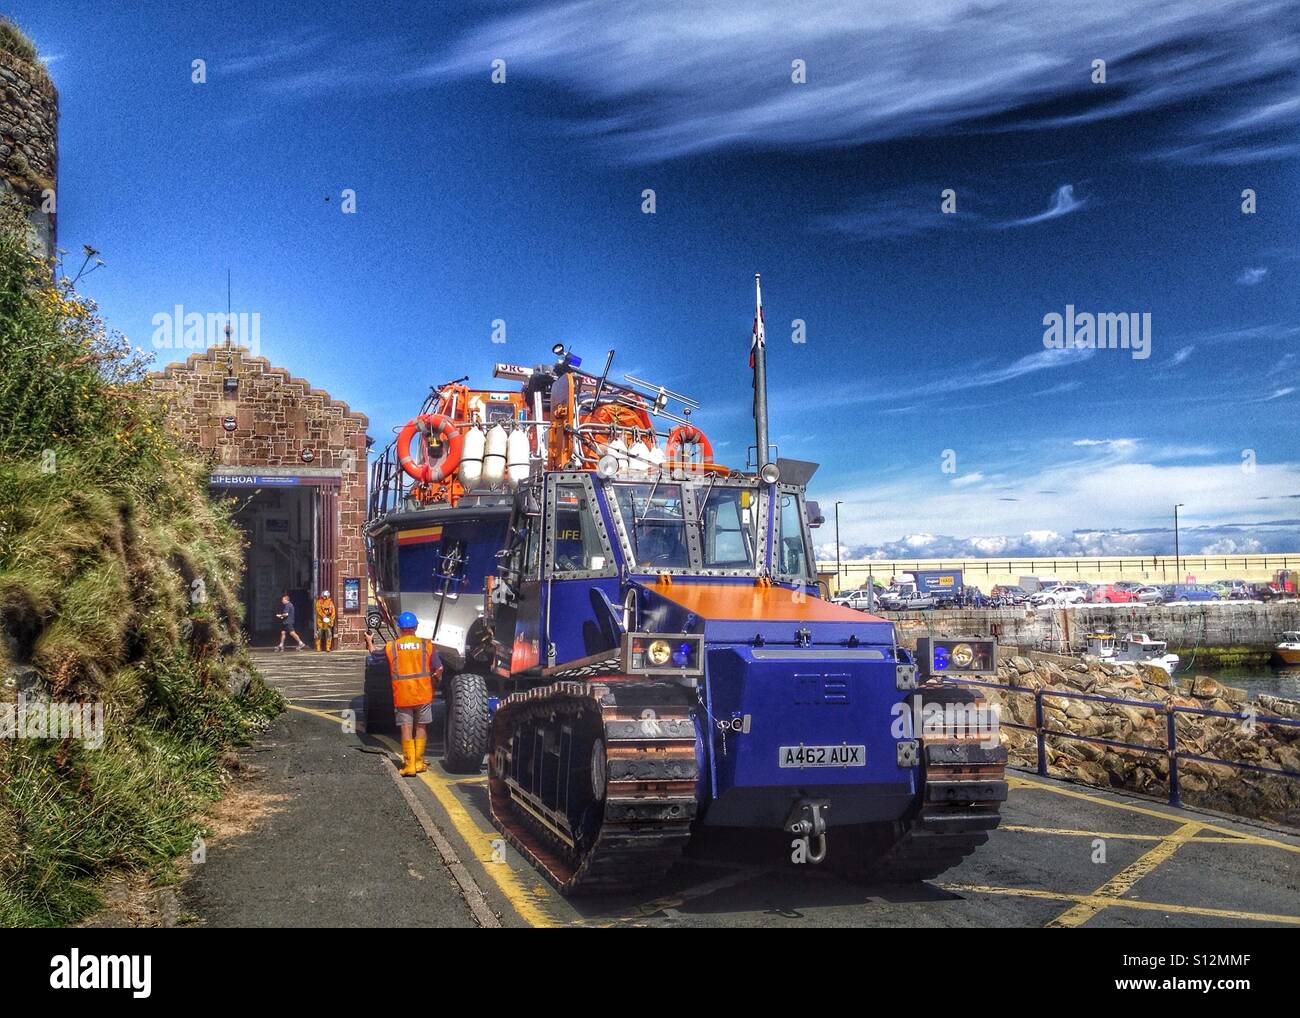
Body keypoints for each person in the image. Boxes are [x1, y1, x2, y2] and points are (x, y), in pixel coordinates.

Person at [368, 611, 442, 776]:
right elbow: (439, 668)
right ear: (415, 627)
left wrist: (369, 642)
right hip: (423, 693)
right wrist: (436, 679)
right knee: (421, 726)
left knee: (406, 727)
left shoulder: (392, 647)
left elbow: (374, 655)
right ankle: (418, 762)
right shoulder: (426, 645)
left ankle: (409, 766)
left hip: (403, 695)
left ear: (400, 629)